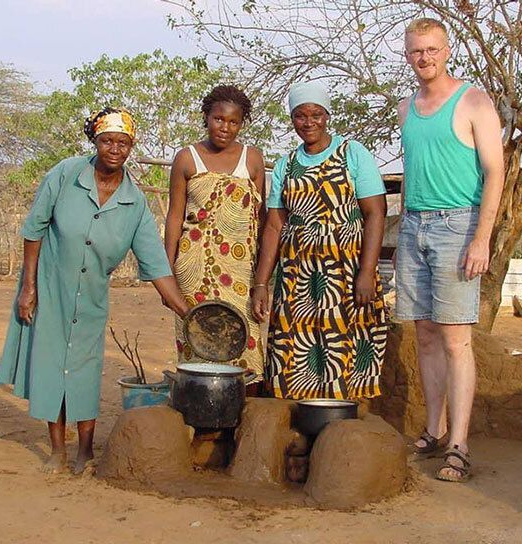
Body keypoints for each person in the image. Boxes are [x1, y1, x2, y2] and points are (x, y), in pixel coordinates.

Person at [0, 107, 188, 475]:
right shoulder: (66, 175)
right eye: (107, 141)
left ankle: (85, 450)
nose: (115, 149)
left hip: (92, 296)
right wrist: (29, 287)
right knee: (53, 368)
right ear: (95, 142)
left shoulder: (134, 203)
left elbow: (156, 264)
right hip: (50, 288)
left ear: (131, 146)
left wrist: (187, 311)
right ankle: (57, 451)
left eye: (123, 142)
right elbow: (33, 230)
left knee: (84, 370)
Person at [396, 18, 504, 482]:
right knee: (424, 334)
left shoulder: (474, 101)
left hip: (457, 225)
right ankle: (434, 429)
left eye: (432, 50)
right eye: (417, 51)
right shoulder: (405, 108)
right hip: (414, 224)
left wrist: (481, 238)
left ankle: (459, 445)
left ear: (447, 50)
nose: (425, 58)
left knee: (456, 339)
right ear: (407, 55)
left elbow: (495, 173)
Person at [252, 81, 388, 400]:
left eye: (315, 114)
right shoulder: (286, 164)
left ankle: (341, 418)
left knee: (343, 339)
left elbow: (376, 212)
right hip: (298, 275)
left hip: (346, 270)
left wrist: (366, 272)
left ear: (327, 115)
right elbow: (273, 225)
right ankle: (298, 417)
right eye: (300, 116)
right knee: (295, 344)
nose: (308, 122)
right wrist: (261, 283)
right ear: (292, 119)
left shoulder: (352, 153)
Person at [166, 85, 267, 374]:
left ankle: (242, 415)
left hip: (241, 269)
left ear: (241, 123)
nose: (225, 127)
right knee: (198, 339)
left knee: (245, 345)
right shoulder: (187, 158)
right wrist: (168, 272)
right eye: (219, 119)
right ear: (206, 118)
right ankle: (199, 415)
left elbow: (259, 220)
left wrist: (261, 277)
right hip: (193, 267)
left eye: (233, 122)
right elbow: (175, 216)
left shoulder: (252, 158)